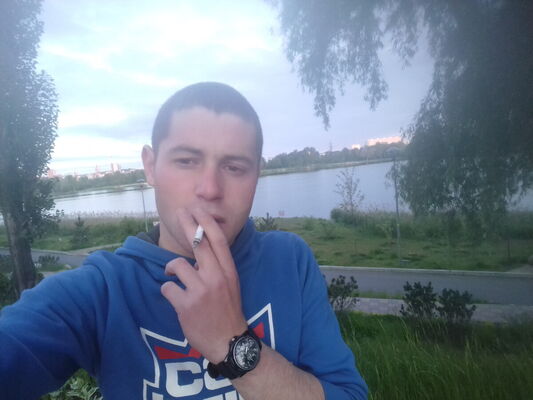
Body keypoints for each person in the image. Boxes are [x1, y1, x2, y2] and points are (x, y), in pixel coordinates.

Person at [0, 82, 368, 399]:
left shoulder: (289, 261)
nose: (210, 189)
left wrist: (231, 343)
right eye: (187, 161)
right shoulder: (103, 291)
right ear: (150, 166)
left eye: (234, 167)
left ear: (257, 173)